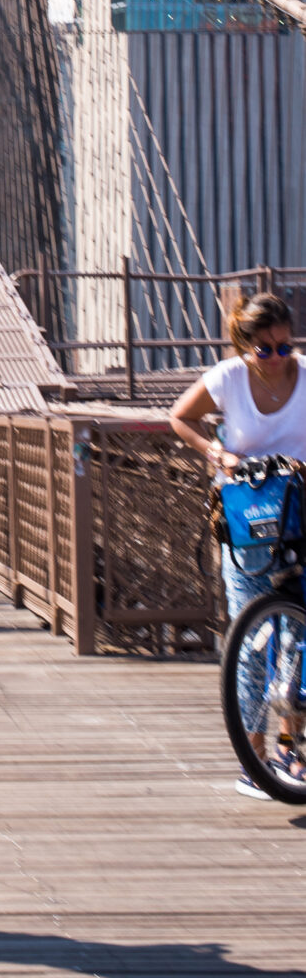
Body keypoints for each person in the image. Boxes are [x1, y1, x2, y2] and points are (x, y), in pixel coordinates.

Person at [171, 290, 306, 792]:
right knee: (251, 642)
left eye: (285, 346)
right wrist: (217, 453)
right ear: (246, 345)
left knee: (297, 636)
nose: (277, 357)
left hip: (300, 513)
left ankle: (290, 750)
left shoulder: (304, 373)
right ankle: (253, 756)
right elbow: (179, 417)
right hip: (248, 517)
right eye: (266, 348)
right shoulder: (228, 379)